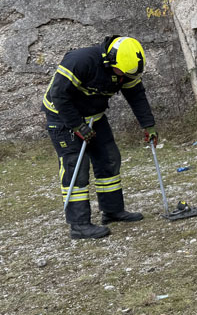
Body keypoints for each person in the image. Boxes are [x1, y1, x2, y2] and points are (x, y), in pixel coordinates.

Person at [42, 36, 159, 239]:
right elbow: (58, 95)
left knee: (109, 158)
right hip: (62, 118)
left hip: (94, 116)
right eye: (121, 73)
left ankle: (112, 211)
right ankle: (79, 225)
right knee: (76, 167)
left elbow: (136, 95)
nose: (123, 78)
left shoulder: (126, 68)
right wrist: (77, 125)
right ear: (110, 60)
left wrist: (148, 124)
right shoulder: (80, 61)